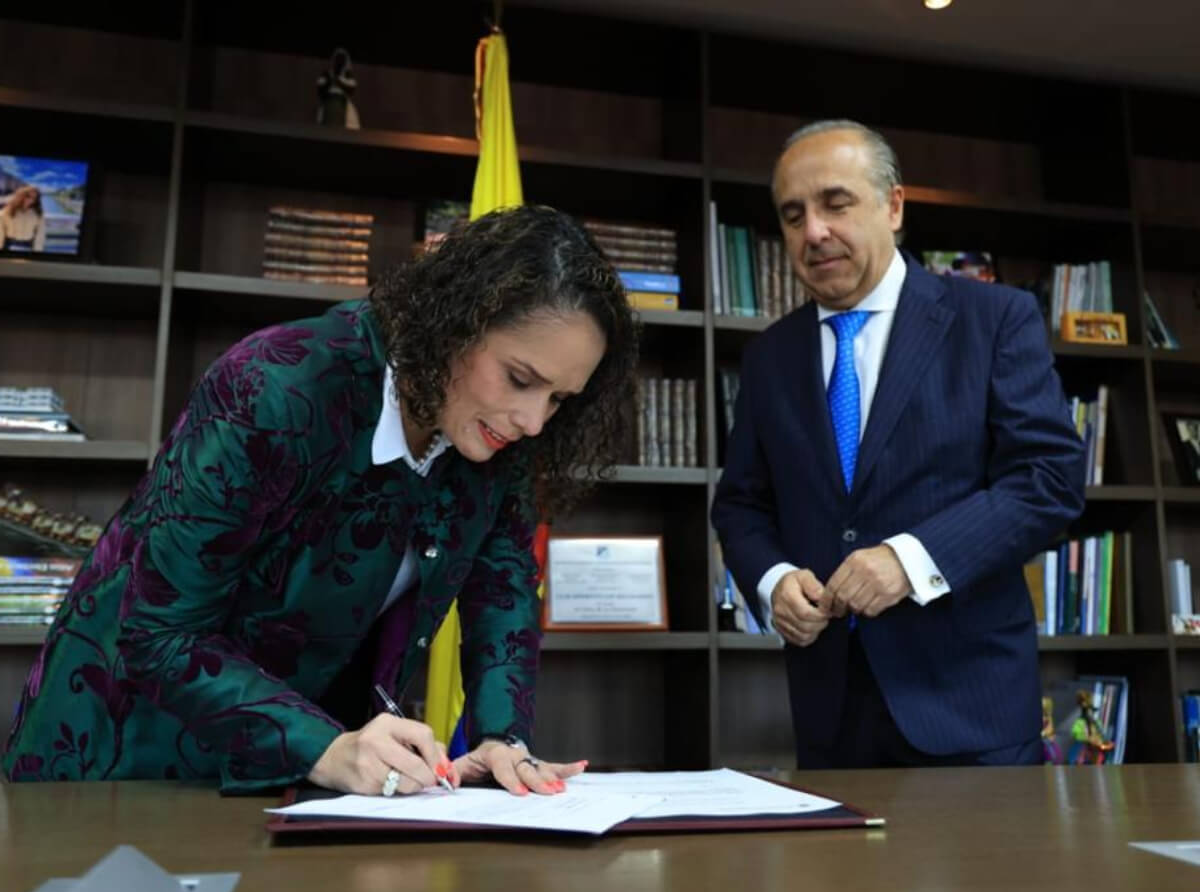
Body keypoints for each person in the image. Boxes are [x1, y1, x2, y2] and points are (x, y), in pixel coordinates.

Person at [3, 205, 638, 795]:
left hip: (301, 773)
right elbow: (159, 632)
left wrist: (504, 737)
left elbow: (502, 593)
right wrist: (324, 746)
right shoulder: (274, 386)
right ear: (456, 321)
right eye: (521, 379)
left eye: (559, 400)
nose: (532, 420)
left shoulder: (498, 442)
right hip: (125, 755)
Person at [711, 120, 1086, 768]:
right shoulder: (770, 356)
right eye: (793, 215)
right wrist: (772, 583)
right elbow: (741, 505)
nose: (814, 232)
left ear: (893, 205)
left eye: (835, 203)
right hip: (831, 718)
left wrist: (910, 561)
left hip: (971, 715)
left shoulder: (994, 320)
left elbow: (1049, 478)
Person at [0, 185, 46, 252]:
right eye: (28, 196)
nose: (30, 200)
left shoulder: (38, 214)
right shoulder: (5, 213)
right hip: (8, 246)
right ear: (20, 196)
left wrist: (37, 252)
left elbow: (40, 235)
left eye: (34, 198)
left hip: (29, 247)